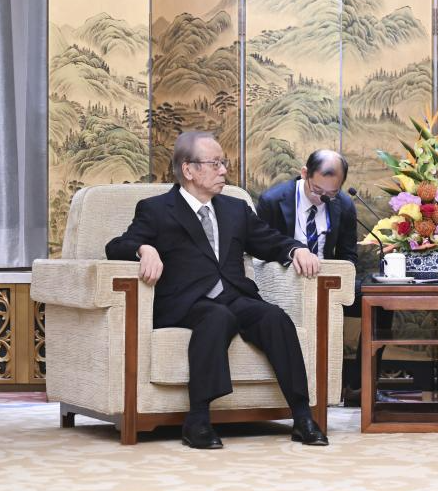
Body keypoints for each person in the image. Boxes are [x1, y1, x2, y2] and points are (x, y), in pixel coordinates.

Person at [105, 131, 329, 449]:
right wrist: (144, 248)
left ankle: (303, 416)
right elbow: (116, 246)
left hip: (235, 295)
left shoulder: (235, 209)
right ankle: (197, 420)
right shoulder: (156, 210)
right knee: (216, 317)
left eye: (223, 163)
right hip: (186, 303)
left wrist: (296, 250)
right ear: (189, 169)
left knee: (274, 317)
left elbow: (268, 240)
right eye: (215, 163)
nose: (224, 170)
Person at [256, 149, 391, 406]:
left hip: (327, 283)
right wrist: (293, 254)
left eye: (331, 193)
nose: (322, 200)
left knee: (380, 302)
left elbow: (349, 256)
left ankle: (363, 387)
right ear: (304, 173)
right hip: (287, 283)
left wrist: (339, 279)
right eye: (317, 191)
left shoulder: (343, 205)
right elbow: (260, 249)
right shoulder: (273, 201)